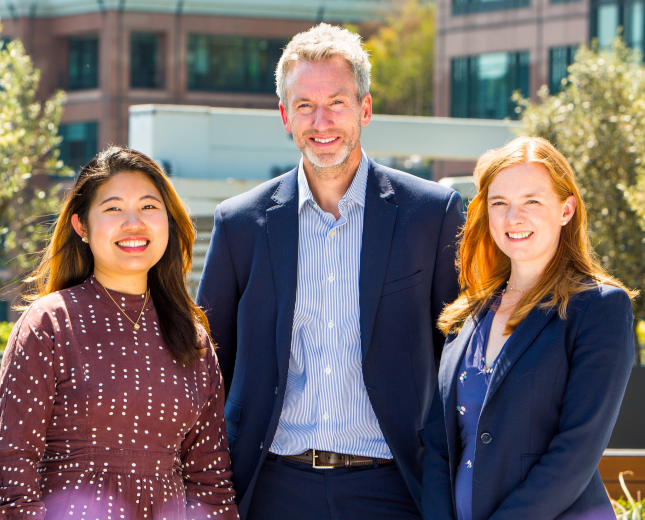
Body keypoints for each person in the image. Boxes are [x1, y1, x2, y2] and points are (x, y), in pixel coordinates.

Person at [196, 23, 465, 519]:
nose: (322, 121)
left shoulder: (432, 215)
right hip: (272, 488)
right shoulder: (240, 224)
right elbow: (210, 368)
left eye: (337, 102)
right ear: (284, 115)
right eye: (304, 105)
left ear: (365, 108)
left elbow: (459, 363)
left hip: (394, 489)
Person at [0, 147, 238, 520]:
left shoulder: (192, 337)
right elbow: (12, 467)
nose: (133, 223)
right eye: (114, 208)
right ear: (81, 226)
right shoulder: (49, 324)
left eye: (149, 207)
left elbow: (211, 478)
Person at [422, 137, 636, 520]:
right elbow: (440, 445)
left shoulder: (599, 308)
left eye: (531, 202)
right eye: (499, 203)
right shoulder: (467, 315)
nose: (512, 218)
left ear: (566, 209)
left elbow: (576, 451)